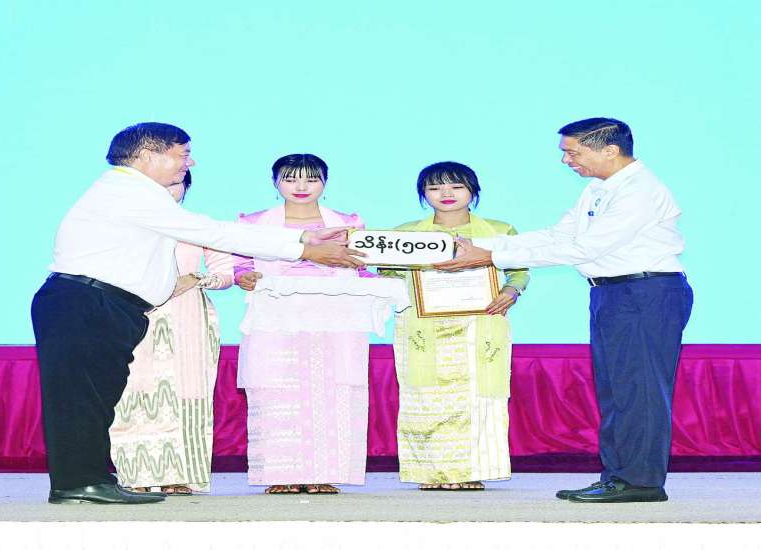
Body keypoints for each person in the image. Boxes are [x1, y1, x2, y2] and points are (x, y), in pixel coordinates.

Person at [31, 123, 364, 505]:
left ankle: (85, 480)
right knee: (81, 399)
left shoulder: (134, 191)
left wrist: (303, 238)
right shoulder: (129, 191)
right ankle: (80, 483)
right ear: (149, 155)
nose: (189, 163)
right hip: (86, 302)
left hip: (101, 305)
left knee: (94, 398)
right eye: (183, 155)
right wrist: (303, 246)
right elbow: (211, 232)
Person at [437, 118, 693, 503]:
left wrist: (490, 256)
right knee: (617, 390)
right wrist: (485, 246)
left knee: (638, 391)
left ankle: (640, 482)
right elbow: (558, 236)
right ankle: (618, 476)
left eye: (573, 152)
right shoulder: (598, 188)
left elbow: (586, 248)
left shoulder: (639, 190)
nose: (566, 161)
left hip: (645, 292)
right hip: (613, 294)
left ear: (610, 150)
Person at [234, 153, 374, 495]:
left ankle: (325, 473)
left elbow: (363, 266)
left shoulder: (347, 223)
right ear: (275, 182)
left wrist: (379, 278)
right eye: (290, 178)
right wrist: (242, 277)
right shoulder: (253, 223)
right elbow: (241, 264)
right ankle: (279, 473)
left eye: (311, 179)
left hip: (335, 317)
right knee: (276, 388)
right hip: (276, 317)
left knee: (334, 389)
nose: (301, 186)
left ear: (324, 183)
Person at [385, 161, 529, 490]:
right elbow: (387, 274)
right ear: (423, 194)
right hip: (422, 327)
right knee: (425, 398)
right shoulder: (405, 233)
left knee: (477, 398)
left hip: (479, 324)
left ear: (473, 190)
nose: (445, 193)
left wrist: (511, 291)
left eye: (456, 186)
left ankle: (471, 471)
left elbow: (519, 270)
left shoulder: (499, 230)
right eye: (435, 187)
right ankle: (430, 474)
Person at [109, 171, 234, 495]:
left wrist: (197, 279)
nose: (167, 191)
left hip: (186, 313)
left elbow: (225, 273)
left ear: (187, 187)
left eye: (174, 184)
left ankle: (180, 474)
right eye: (158, 186)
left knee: (187, 392)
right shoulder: (123, 225)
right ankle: (135, 475)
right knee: (133, 392)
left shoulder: (199, 225)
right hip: (134, 312)